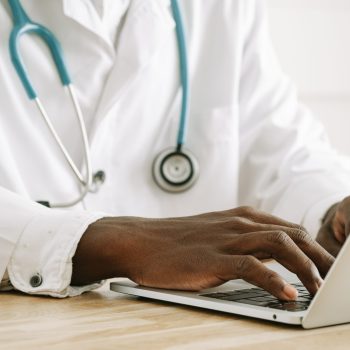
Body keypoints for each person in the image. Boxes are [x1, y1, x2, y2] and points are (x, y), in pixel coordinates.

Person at [0, 0, 349, 300]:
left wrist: (329, 213)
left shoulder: (219, 8)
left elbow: (282, 145)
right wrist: (102, 243)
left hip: (186, 329)